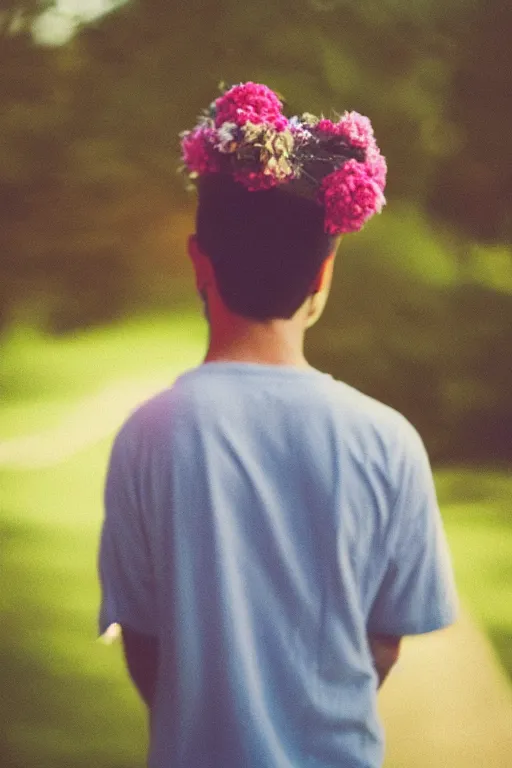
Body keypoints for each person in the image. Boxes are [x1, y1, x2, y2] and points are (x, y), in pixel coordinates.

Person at [98, 82, 459, 768]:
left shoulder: (149, 433)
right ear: (324, 273)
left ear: (198, 261)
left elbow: (143, 640)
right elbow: (385, 640)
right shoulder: (388, 440)